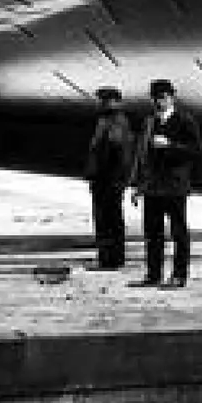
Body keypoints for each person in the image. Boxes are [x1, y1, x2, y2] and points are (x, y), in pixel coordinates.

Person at [128, 78, 201, 289]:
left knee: (179, 233)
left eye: (163, 97)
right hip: (153, 187)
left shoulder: (185, 121)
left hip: (175, 186)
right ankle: (153, 275)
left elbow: (195, 151)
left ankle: (179, 275)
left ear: (172, 97)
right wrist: (138, 185)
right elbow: (142, 155)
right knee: (153, 234)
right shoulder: (150, 122)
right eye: (156, 98)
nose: (159, 102)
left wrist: (170, 145)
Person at [84, 87, 133, 270]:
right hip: (105, 179)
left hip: (108, 180)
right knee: (107, 218)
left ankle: (110, 260)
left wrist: (112, 179)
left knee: (108, 219)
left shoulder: (115, 121)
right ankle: (109, 258)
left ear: (115, 102)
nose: (102, 103)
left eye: (105, 100)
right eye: (102, 100)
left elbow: (116, 152)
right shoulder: (107, 120)